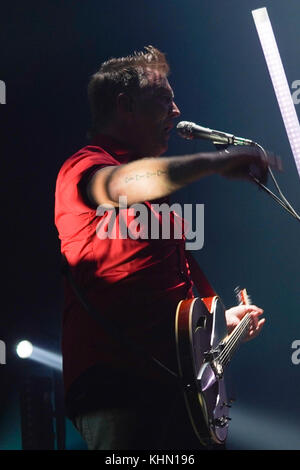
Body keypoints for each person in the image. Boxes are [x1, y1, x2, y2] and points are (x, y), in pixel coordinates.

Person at [55, 46, 272, 451]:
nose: (176, 111)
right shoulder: (83, 166)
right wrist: (212, 162)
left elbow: (176, 307)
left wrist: (223, 322)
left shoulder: (160, 207)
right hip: (121, 387)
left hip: (175, 388)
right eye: (164, 99)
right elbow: (121, 184)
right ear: (125, 105)